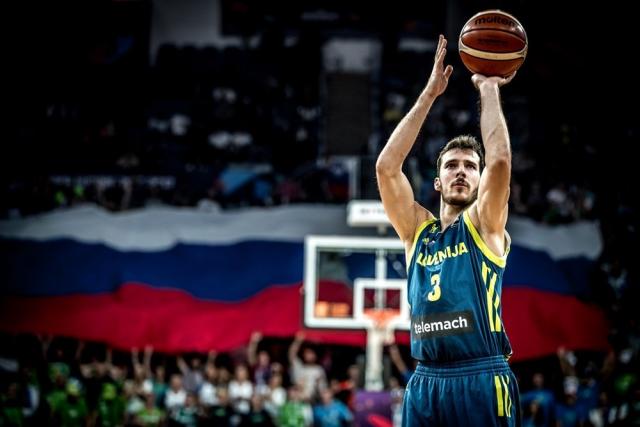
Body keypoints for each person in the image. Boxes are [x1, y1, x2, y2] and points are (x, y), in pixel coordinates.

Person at [376, 34, 521, 426]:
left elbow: (501, 161)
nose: (461, 171)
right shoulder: (416, 232)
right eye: (452, 165)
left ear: (479, 180)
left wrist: (488, 87)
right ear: (438, 182)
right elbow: (386, 168)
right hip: (425, 381)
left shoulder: (484, 224)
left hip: (481, 375)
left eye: (471, 166)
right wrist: (429, 95)